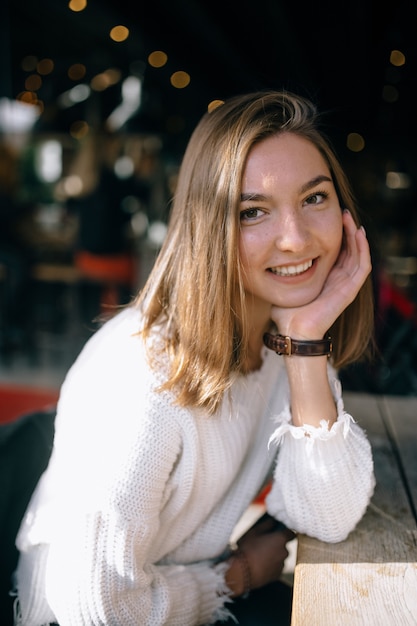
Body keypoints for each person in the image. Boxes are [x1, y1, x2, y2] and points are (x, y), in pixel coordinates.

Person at [13, 90, 376, 626]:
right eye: (254, 211)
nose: (296, 239)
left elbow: (329, 513)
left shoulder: (285, 334)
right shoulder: (142, 374)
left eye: (314, 199)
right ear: (210, 228)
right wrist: (235, 576)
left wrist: (305, 347)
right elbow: (93, 607)